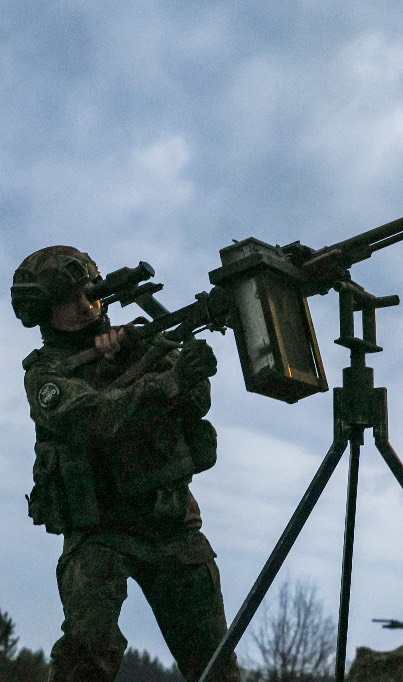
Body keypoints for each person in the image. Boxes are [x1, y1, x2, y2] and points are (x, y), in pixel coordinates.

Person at [10, 245, 240, 682]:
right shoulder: (47, 373)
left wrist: (185, 369)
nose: (86, 306)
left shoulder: (140, 342)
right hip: (102, 531)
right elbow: (90, 418)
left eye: (90, 294)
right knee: (87, 657)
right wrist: (165, 380)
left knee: (214, 665)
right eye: (69, 300)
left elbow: (193, 400)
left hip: (171, 521)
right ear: (43, 311)